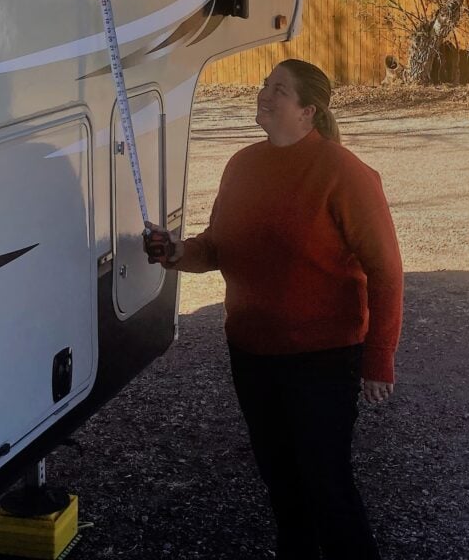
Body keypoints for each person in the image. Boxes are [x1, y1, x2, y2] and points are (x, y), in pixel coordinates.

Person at [144, 59, 403, 560]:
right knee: (281, 482)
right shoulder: (241, 165)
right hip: (252, 355)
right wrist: (176, 254)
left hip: (323, 360)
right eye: (266, 85)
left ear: (308, 111)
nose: (265, 94)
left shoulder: (344, 174)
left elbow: (387, 271)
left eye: (278, 90)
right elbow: (218, 247)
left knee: (328, 487)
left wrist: (379, 359)